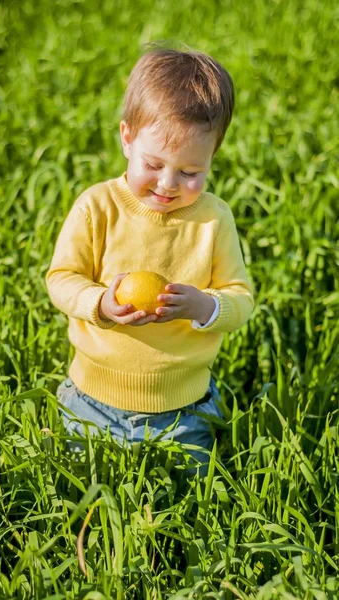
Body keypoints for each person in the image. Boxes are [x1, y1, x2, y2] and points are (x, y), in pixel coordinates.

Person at [46, 46, 254, 476]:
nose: (167, 184)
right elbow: (61, 277)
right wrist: (100, 303)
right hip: (92, 400)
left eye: (190, 172)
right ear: (127, 137)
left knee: (192, 501)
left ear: (214, 154)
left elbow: (241, 297)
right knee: (79, 496)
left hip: (185, 408)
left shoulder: (213, 220)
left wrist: (203, 306)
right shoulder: (96, 208)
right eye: (154, 164)